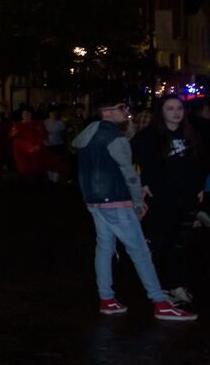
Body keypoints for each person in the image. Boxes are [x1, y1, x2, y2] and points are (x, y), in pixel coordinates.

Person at [73, 86, 196, 321]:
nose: (125, 112)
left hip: (94, 201)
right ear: (107, 112)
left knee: (105, 248)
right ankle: (160, 302)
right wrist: (138, 202)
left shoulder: (89, 134)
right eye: (121, 108)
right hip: (116, 201)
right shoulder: (114, 137)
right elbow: (129, 172)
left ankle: (106, 298)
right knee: (139, 251)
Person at [131, 94, 204, 302]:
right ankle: (158, 287)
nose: (175, 112)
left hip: (186, 197)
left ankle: (177, 284)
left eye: (179, 108)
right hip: (162, 197)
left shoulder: (192, 133)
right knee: (159, 243)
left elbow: (200, 161)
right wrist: (143, 181)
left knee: (179, 244)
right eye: (170, 108)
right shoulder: (150, 135)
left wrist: (198, 186)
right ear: (161, 112)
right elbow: (132, 154)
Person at [10, 105, 48, 180]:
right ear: (22, 115)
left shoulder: (37, 123)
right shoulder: (17, 125)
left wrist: (38, 145)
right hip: (21, 150)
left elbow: (42, 135)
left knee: (36, 168)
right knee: (23, 169)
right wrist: (13, 134)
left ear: (31, 115)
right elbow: (11, 134)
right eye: (24, 114)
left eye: (28, 114)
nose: (26, 115)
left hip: (34, 149)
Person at [45, 105, 70, 183]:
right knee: (48, 161)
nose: (53, 115)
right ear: (49, 114)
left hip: (58, 144)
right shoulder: (45, 122)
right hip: (48, 144)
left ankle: (55, 178)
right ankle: (50, 177)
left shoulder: (60, 122)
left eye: (55, 113)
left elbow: (64, 133)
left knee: (57, 161)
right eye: (52, 113)